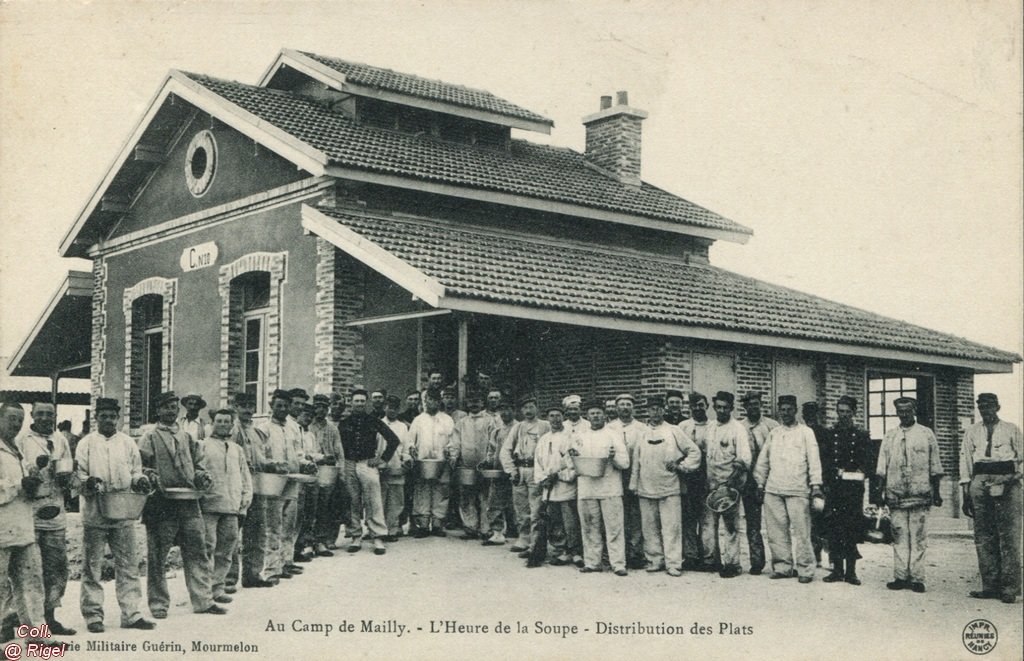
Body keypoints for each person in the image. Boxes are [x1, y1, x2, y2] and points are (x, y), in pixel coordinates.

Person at [136, 391, 224, 618]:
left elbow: (197, 465)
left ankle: (203, 600)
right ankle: (158, 604)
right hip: (161, 503)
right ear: (158, 410)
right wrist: (150, 475)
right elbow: (140, 466)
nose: (171, 411)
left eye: (174, 407)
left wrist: (201, 477)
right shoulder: (149, 437)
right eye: (166, 407)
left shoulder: (186, 437)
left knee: (198, 550)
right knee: (158, 556)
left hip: (188, 502)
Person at [74, 398, 155, 633]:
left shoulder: (128, 443)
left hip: (123, 510)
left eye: (112, 416)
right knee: (92, 566)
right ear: (96, 417)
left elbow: (135, 471)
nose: (108, 420)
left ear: (117, 418)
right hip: (95, 512)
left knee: (128, 564)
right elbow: (78, 474)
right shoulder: (86, 444)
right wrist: (88, 482)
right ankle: (93, 615)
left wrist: (139, 481)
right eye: (103, 416)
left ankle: (131, 613)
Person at [0, 400, 58, 647]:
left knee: (32, 585)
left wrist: (32, 481)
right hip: (2, 530)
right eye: (11, 418)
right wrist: (16, 487)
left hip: (23, 527)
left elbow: (23, 484)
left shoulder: (16, 450)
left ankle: (38, 637)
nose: (16, 424)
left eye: (20, 420)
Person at [15, 402, 75, 634]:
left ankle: (50, 616)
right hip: (29, 511)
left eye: (49, 414)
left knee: (56, 567)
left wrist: (66, 478)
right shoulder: (22, 439)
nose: (45, 418)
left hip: (55, 510)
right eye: (40, 413)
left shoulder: (60, 439)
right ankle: (16, 620)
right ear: (32, 415)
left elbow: (68, 469)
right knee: (28, 569)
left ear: (55, 416)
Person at [875, 397, 943, 593]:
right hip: (895, 494)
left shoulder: (926, 434)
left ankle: (917, 578)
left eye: (907, 410)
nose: (904, 414)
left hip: (920, 494)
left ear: (914, 410)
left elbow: (935, 465)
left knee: (918, 537)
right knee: (899, 537)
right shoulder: (890, 436)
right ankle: (900, 576)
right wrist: (880, 493)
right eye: (900, 411)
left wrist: (936, 492)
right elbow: (882, 467)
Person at [754, 395, 824, 584]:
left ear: (795, 410)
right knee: (776, 532)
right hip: (774, 489)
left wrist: (815, 485)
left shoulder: (806, 432)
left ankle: (806, 569)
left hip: (798, 489)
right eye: (782, 410)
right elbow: (763, 461)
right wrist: (760, 483)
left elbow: (814, 460)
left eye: (789, 409)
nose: (785, 413)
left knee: (802, 532)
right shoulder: (774, 433)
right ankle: (782, 567)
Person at [960, 393, 1022, 604]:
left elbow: (1021, 460)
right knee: (983, 535)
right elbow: (966, 462)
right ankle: (990, 586)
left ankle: (1010, 588)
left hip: (1007, 480)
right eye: (982, 407)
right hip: (980, 480)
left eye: (989, 406)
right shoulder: (971, 432)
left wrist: (1011, 478)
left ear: (997, 406)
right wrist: (966, 494)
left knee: (1009, 534)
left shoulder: (1011, 429)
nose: (985, 410)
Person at [629, 397, 700, 576]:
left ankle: (673, 563)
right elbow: (636, 461)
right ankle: (655, 560)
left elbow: (694, 451)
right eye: (652, 409)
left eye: (659, 409)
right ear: (648, 412)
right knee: (649, 527)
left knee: (671, 527)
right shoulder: (642, 433)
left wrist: (682, 466)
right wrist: (634, 484)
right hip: (646, 487)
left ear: (664, 410)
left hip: (669, 487)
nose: (656, 412)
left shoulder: (674, 430)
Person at [198, 409, 252, 605]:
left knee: (226, 549)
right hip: (209, 506)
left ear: (231, 425)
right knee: (206, 548)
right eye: (218, 421)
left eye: (226, 421)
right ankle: (203, 591)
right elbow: (197, 474)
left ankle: (218, 588)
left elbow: (244, 477)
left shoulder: (237, 449)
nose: (222, 424)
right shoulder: (202, 446)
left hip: (231, 507)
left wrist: (244, 501)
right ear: (212, 423)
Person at [338, 389, 401, 555]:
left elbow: (394, 440)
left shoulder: (373, 420)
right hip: (349, 464)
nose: (359, 404)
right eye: (356, 401)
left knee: (373, 500)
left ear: (366, 403)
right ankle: (355, 536)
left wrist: (382, 459)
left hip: (368, 464)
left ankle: (378, 537)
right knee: (352, 500)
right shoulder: (344, 423)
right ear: (351, 403)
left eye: (362, 401)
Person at [571, 400, 629, 576]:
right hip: (587, 488)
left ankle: (618, 564)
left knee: (614, 527)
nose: (595, 416)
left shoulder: (614, 434)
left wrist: (613, 458)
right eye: (592, 413)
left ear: (604, 414)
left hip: (610, 488)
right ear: (587, 416)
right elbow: (569, 461)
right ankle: (592, 562)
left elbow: (625, 463)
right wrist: (572, 456)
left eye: (598, 413)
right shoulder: (578, 436)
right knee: (589, 526)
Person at [820, 395, 872, 585]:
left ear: (854, 413)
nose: (843, 415)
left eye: (847, 412)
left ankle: (851, 572)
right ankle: (836, 570)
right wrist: (826, 481)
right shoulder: (830, 433)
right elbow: (824, 460)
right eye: (840, 411)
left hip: (852, 490)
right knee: (834, 528)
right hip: (834, 489)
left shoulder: (861, 434)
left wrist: (857, 471)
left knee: (851, 529)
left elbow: (867, 462)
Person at [701, 391, 751, 579]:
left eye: (725, 407)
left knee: (730, 526)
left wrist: (731, 483)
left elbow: (744, 458)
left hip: (729, 485)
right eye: (718, 407)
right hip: (710, 485)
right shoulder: (711, 427)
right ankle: (712, 561)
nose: (722, 410)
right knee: (709, 525)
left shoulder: (737, 429)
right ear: (714, 408)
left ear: (731, 408)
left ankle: (732, 563)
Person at [229, 392, 274, 590]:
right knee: (232, 532)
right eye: (243, 405)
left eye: (251, 405)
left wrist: (273, 465)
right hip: (237, 486)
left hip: (258, 484)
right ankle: (228, 578)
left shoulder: (257, 433)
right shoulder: (232, 430)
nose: (248, 410)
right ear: (235, 407)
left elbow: (262, 458)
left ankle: (252, 574)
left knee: (257, 530)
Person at [255, 390, 299, 585]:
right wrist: (273, 464)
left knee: (289, 522)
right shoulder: (263, 428)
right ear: (271, 406)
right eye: (278, 405)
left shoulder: (294, 427)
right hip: (273, 481)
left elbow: (299, 451)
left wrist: (305, 462)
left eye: (285, 406)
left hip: (293, 479)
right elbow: (260, 456)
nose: (282, 409)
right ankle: (272, 568)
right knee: (273, 525)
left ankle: (286, 561)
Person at [499, 395, 550, 557]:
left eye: (531, 407)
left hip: (538, 470)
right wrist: (511, 470)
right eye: (525, 408)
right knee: (521, 507)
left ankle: (536, 542)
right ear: (521, 411)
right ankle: (523, 538)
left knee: (536, 508)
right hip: (521, 469)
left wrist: (546, 472)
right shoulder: (518, 427)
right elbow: (505, 451)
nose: (528, 411)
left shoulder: (545, 426)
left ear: (537, 408)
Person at [534, 405, 582, 567]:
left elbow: (574, 464)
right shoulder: (544, 439)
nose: (555, 419)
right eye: (551, 416)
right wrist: (543, 478)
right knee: (554, 521)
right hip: (549, 487)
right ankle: (560, 549)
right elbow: (538, 463)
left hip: (566, 487)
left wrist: (559, 475)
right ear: (547, 419)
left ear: (564, 417)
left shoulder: (571, 438)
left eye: (558, 416)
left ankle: (574, 550)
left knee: (570, 521)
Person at [408, 388, 456, 537]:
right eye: (429, 399)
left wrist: (450, 452)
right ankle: (423, 525)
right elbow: (410, 440)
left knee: (441, 491)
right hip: (423, 462)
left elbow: (453, 440)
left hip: (442, 462)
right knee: (422, 491)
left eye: (435, 400)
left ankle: (437, 524)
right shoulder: (418, 420)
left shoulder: (447, 419)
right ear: (425, 401)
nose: (432, 403)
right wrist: (411, 450)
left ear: (439, 401)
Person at [739, 391, 778, 575]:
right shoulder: (740, 427)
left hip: (772, 480)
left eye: (756, 404)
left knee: (776, 523)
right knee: (753, 524)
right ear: (744, 407)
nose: (753, 407)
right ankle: (757, 561)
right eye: (750, 405)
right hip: (749, 482)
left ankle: (782, 562)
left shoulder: (772, 426)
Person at [608, 393, 646, 569]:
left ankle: (635, 552)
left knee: (635, 515)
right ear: (616, 408)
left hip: (635, 475)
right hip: (614, 476)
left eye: (628, 405)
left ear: (633, 408)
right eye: (621, 405)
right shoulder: (610, 428)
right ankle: (618, 553)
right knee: (616, 515)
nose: (625, 408)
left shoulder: (641, 428)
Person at [452, 392, 496, 539]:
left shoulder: (491, 421)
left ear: (483, 403)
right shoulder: (462, 422)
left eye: (477, 401)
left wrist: (490, 458)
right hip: (467, 465)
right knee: (466, 497)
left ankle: (486, 528)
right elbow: (455, 441)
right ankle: (470, 527)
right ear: (467, 404)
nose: (474, 404)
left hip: (485, 466)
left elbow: (494, 442)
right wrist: (453, 456)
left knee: (486, 497)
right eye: (471, 402)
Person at [678, 392, 711, 570]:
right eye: (694, 406)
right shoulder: (683, 426)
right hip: (688, 478)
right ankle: (690, 555)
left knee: (706, 520)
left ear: (707, 406)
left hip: (707, 478)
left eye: (701, 405)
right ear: (689, 408)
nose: (697, 408)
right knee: (688, 519)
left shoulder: (713, 426)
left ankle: (708, 557)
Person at [309, 394, 342, 556]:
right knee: (311, 507)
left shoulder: (332, 428)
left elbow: (338, 451)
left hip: (328, 472)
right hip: (311, 470)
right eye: (317, 406)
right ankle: (308, 541)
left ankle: (324, 539)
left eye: (323, 406)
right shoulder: (308, 426)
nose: (320, 410)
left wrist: (339, 469)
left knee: (327, 506)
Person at [480, 400, 517, 546]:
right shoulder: (497, 430)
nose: (505, 413)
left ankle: (518, 530)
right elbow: (492, 450)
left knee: (516, 502)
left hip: (516, 470)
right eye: (502, 410)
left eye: (508, 409)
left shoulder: (519, 428)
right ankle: (497, 532)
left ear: (513, 411)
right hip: (499, 470)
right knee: (495, 500)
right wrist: (487, 461)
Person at [379, 395, 411, 541]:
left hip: (397, 467)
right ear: (384, 407)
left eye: (395, 408)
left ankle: (392, 529)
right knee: (380, 499)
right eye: (389, 407)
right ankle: (379, 530)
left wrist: (406, 460)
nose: (392, 410)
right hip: (380, 468)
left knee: (396, 501)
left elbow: (406, 448)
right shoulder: (378, 424)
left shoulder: (403, 427)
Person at [802, 401, 828, 566]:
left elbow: (826, 460)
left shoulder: (824, 434)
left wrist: (821, 482)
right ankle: (812, 554)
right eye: (807, 414)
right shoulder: (801, 432)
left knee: (821, 519)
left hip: (820, 481)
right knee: (808, 520)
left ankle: (820, 554)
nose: (810, 418)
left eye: (813, 414)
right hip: (802, 481)